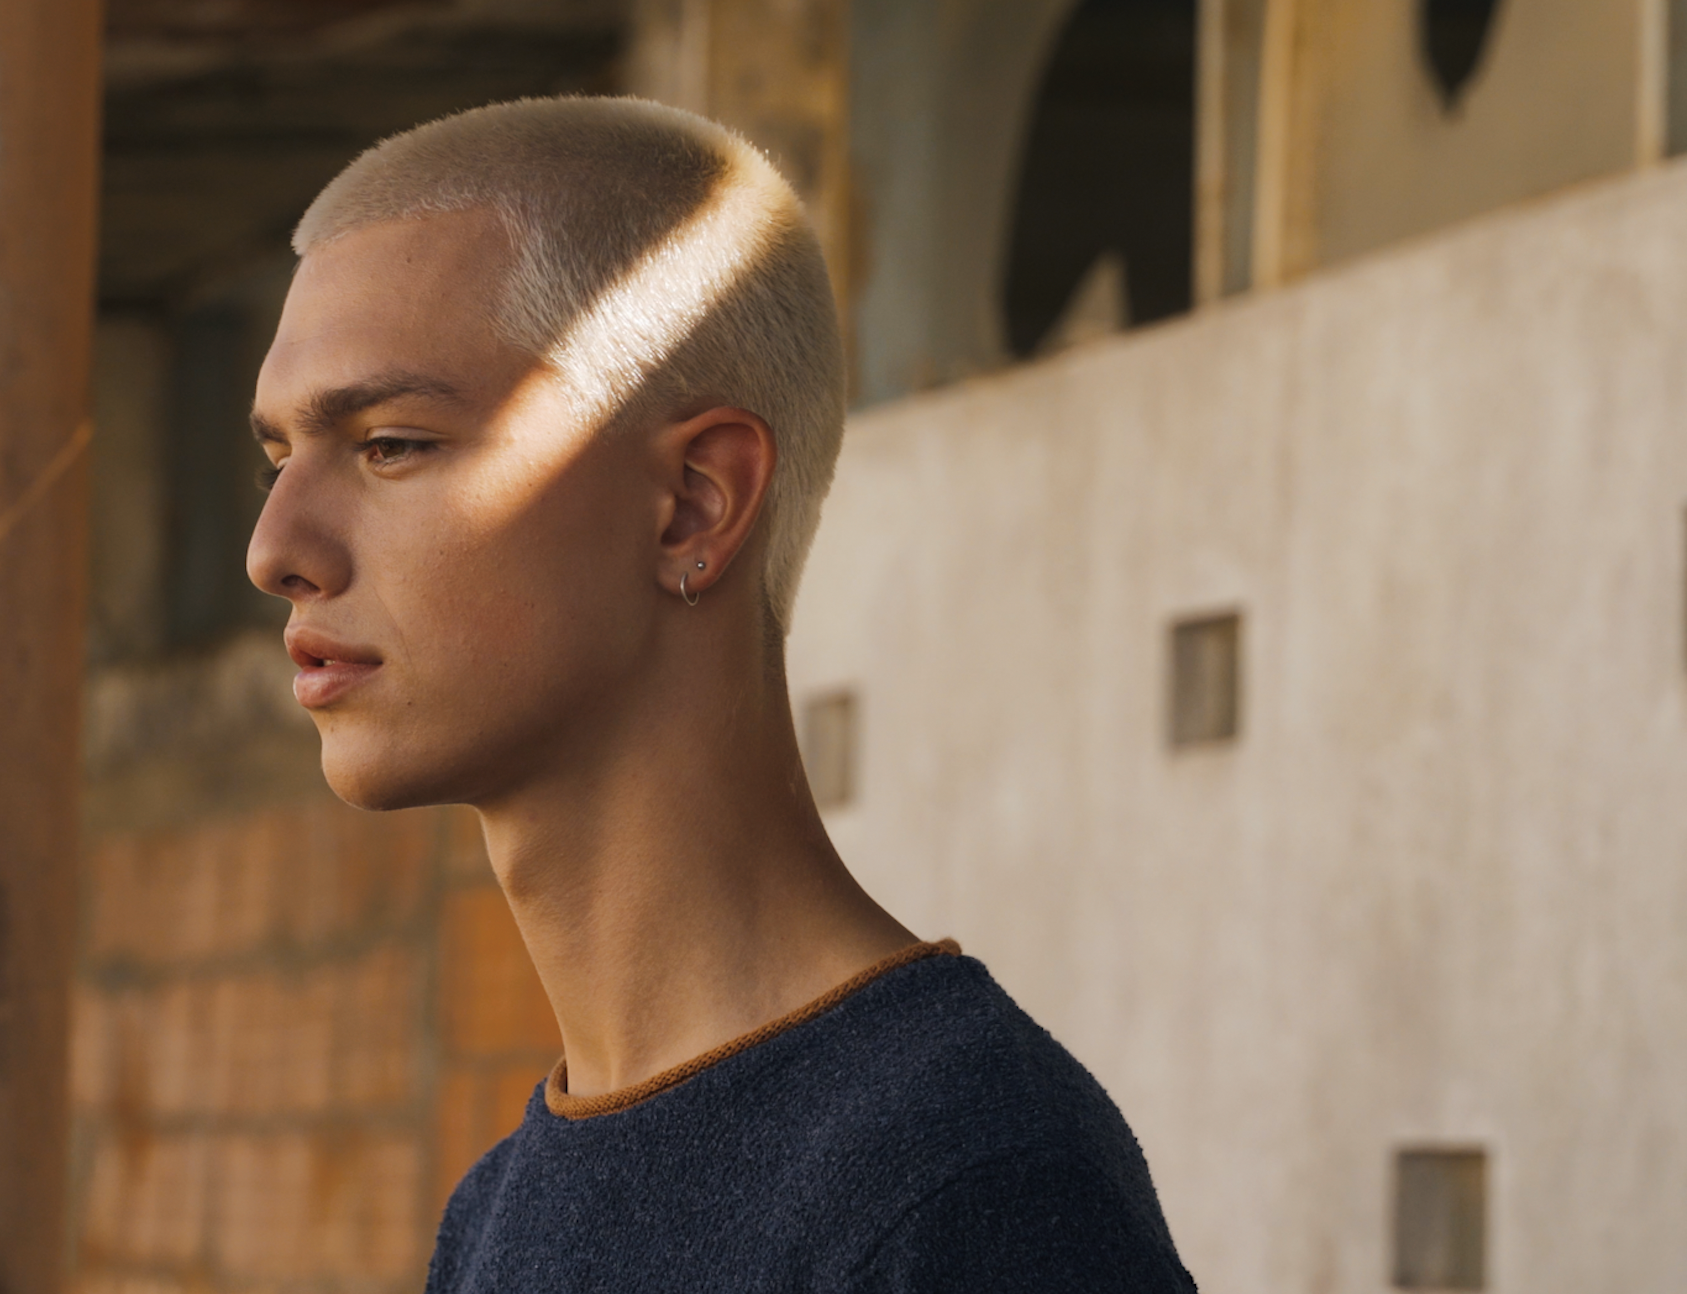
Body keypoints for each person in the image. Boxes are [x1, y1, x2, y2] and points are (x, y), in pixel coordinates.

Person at [246, 96, 1197, 1293]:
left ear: (693, 504)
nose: (274, 549)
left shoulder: (967, 1185)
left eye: (390, 444)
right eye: (276, 458)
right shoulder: (496, 1211)